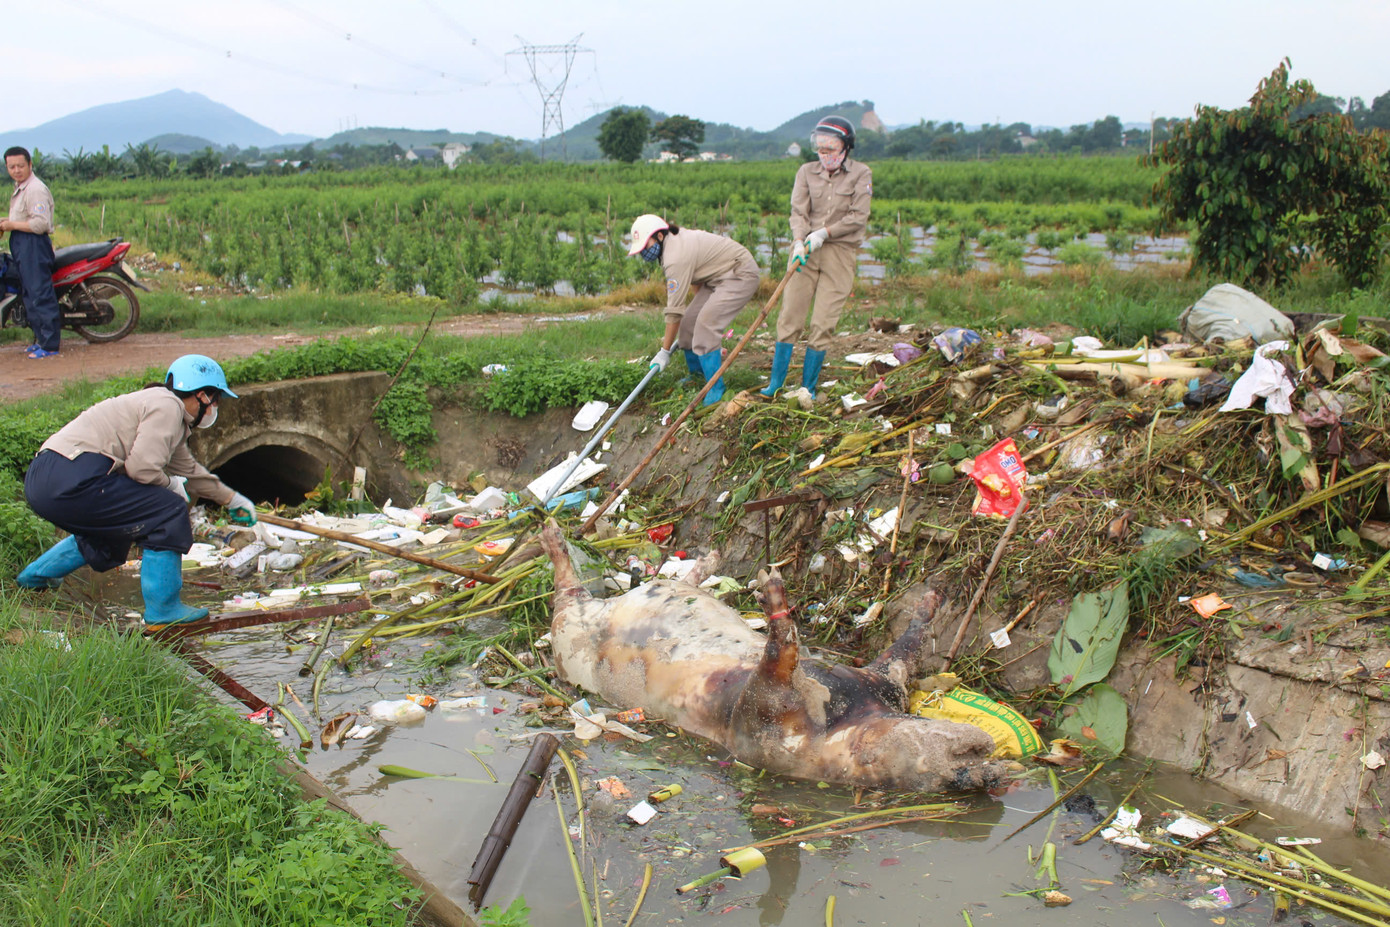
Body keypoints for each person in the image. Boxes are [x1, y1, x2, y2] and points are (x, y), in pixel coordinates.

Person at [16, 354, 258, 626]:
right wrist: (171, 486)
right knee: (168, 510)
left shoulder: (163, 412)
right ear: (201, 396)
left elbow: (190, 470)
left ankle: (36, 576)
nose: (215, 407)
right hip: (73, 476)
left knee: (120, 526)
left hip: (44, 479)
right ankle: (164, 609)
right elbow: (142, 469)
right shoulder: (168, 407)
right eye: (215, 400)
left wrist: (232, 499)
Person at [762, 116, 873, 399]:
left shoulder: (861, 174)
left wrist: (825, 232)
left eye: (831, 150)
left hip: (839, 251)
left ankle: (807, 388)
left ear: (846, 148)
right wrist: (799, 240)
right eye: (820, 151)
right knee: (790, 315)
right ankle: (776, 383)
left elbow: (858, 216)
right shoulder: (806, 172)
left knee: (823, 321)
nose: (825, 156)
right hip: (805, 251)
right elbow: (798, 212)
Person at [628, 214, 761, 405]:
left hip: (739, 274)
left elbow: (674, 311)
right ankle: (697, 375)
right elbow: (697, 276)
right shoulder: (672, 243)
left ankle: (715, 388)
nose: (644, 253)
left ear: (658, 236)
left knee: (706, 325)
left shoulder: (674, 256)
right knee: (689, 322)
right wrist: (696, 308)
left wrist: (664, 351)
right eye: (640, 250)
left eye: (645, 247)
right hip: (717, 277)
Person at [2, 146, 61, 359]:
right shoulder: (21, 188)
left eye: (20, 166)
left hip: (33, 244)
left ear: (30, 165)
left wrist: (11, 225)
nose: (16, 170)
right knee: (28, 292)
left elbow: (39, 224)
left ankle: (50, 344)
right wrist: (7, 223)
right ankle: (41, 339)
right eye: (12, 167)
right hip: (22, 244)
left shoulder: (35, 189)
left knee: (40, 293)